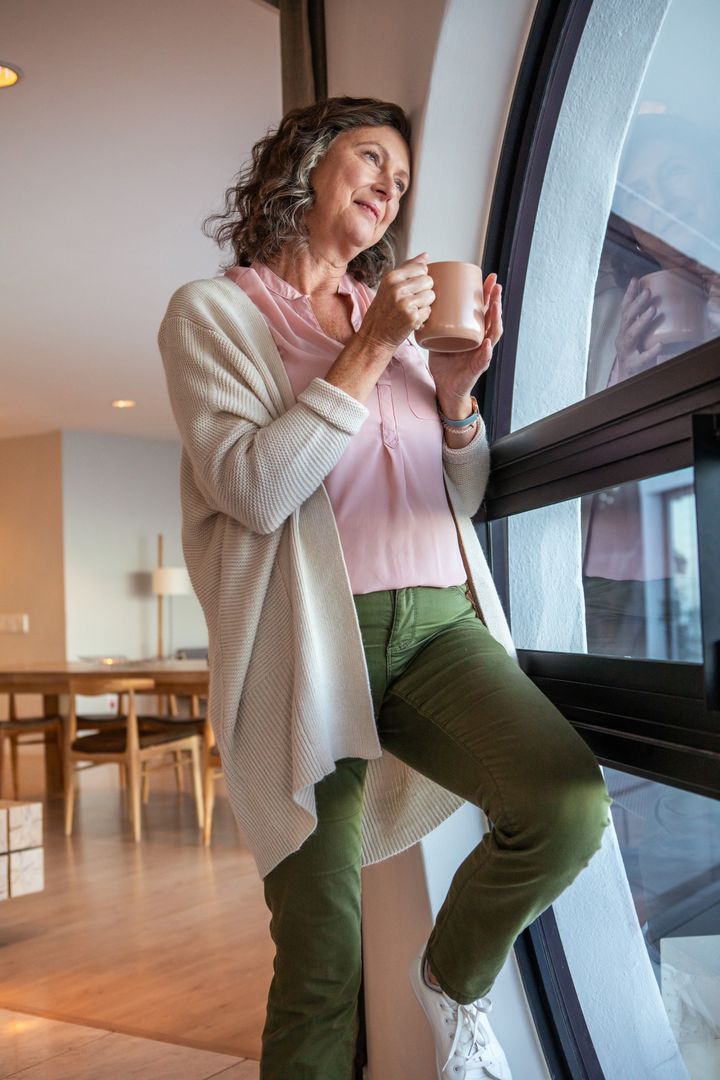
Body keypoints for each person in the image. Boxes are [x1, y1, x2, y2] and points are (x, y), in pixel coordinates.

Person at [159, 96, 611, 1080]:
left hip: (442, 626)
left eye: (400, 181)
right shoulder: (218, 315)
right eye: (371, 159)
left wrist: (455, 397)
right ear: (309, 165)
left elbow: (462, 493)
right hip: (310, 651)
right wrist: (367, 355)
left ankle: (453, 980)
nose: (388, 186)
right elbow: (253, 487)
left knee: (566, 806)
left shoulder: (393, 325)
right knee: (322, 961)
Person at [583, 113, 720, 659]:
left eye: (678, 172)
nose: (662, 200)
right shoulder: (601, 315)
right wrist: (627, 379)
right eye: (638, 193)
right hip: (614, 573)